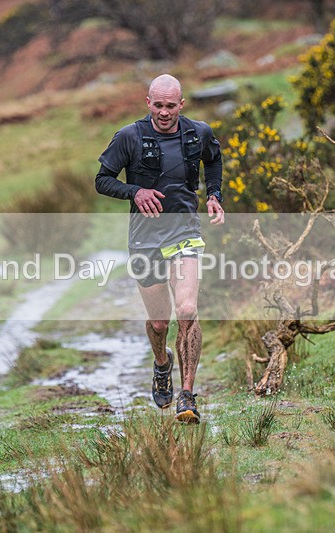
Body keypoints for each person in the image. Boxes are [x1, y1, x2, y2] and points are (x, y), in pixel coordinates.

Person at [95, 74, 224, 424]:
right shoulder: (129, 136)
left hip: (184, 232)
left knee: (186, 309)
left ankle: (187, 395)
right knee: (158, 321)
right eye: (159, 105)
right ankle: (162, 363)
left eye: (171, 106)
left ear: (181, 105)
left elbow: (213, 160)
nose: (165, 112)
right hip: (144, 239)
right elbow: (102, 180)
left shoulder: (199, 132)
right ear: (148, 102)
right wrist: (134, 192)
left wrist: (214, 195)